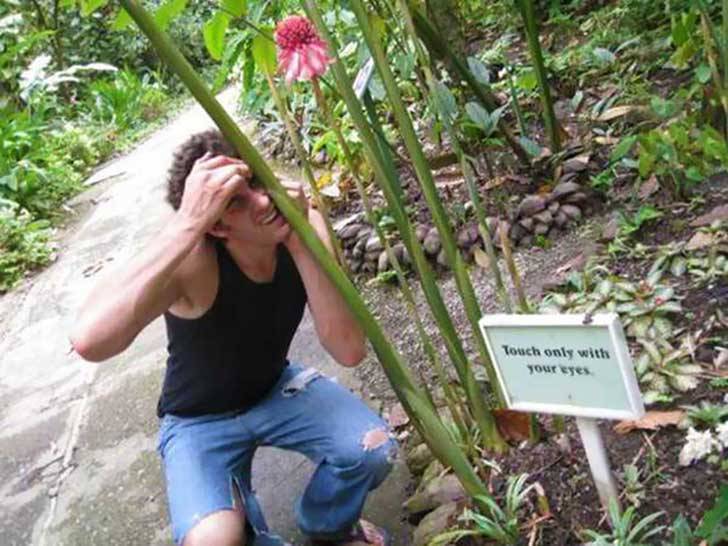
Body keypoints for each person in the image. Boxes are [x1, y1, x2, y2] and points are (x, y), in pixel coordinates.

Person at [70, 129, 396, 546]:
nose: (262, 202)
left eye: (258, 181)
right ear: (216, 226)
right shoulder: (193, 262)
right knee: (212, 540)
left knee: (374, 449)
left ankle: (327, 525)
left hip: (275, 388)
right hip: (198, 421)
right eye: (235, 202)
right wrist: (187, 224)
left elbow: (348, 350)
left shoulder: (304, 223)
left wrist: (300, 242)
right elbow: (90, 340)